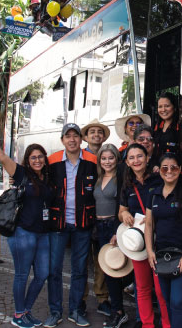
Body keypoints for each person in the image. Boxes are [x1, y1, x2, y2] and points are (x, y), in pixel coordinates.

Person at [0, 125, 54, 328]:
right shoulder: (21, 174)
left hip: (43, 234)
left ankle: (26, 311)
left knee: (42, 274)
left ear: (45, 159)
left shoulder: (47, 177)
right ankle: (18, 314)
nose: (37, 160)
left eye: (40, 157)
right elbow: (2, 157)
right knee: (22, 275)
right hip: (22, 233)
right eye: (33, 157)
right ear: (27, 160)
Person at [44, 123, 98, 328]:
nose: (72, 139)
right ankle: (55, 311)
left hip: (83, 223)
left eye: (76, 136)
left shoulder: (92, 161)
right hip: (58, 224)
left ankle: (76, 310)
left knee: (80, 269)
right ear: (62, 140)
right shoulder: (52, 161)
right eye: (68, 136)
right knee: (54, 270)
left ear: (81, 140)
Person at [144, 153, 182, 328]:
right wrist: (150, 252)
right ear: (159, 171)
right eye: (165, 168)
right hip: (161, 255)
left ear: (180, 169)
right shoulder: (153, 194)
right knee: (166, 300)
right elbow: (149, 225)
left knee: (178, 301)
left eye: (174, 167)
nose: (169, 171)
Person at [118, 144, 170, 328]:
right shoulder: (127, 184)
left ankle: (167, 324)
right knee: (142, 287)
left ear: (147, 158)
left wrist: (154, 216)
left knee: (161, 288)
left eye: (139, 156)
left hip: (159, 239)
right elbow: (121, 211)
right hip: (139, 241)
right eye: (131, 158)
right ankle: (147, 324)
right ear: (127, 162)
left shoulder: (159, 178)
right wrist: (124, 214)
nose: (136, 160)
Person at [93, 144, 129, 328]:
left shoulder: (121, 178)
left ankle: (119, 312)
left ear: (117, 159)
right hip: (99, 228)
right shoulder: (98, 178)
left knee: (116, 271)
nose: (107, 162)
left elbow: (122, 205)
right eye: (104, 158)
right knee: (107, 271)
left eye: (111, 158)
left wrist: (116, 231)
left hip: (113, 227)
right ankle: (117, 310)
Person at [80, 119, 112, 318]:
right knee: (82, 261)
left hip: (103, 216)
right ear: (86, 136)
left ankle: (102, 298)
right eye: (92, 132)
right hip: (84, 216)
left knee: (102, 260)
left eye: (99, 132)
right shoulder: (80, 157)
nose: (96, 135)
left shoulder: (107, 156)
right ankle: (81, 299)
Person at [153, 92, 182, 162]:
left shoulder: (181, 126)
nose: (163, 110)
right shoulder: (157, 126)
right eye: (160, 107)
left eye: (167, 106)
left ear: (174, 107)